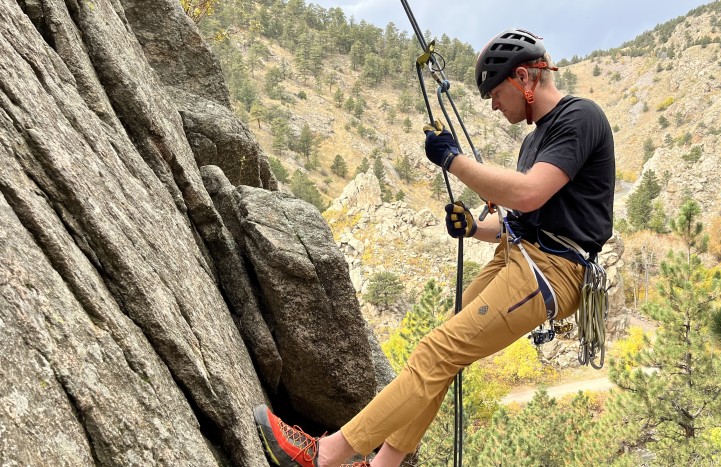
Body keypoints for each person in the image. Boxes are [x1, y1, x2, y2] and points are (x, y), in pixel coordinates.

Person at [253, 28, 615, 467]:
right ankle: (383, 464)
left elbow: (528, 194)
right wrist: (475, 230)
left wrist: (453, 160)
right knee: (442, 351)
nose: (494, 105)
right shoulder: (535, 138)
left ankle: (325, 455)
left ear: (524, 77)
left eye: (496, 93)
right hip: (522, 257)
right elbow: (524, 218)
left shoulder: (580, 117)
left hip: (552, 271)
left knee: (436, 352)